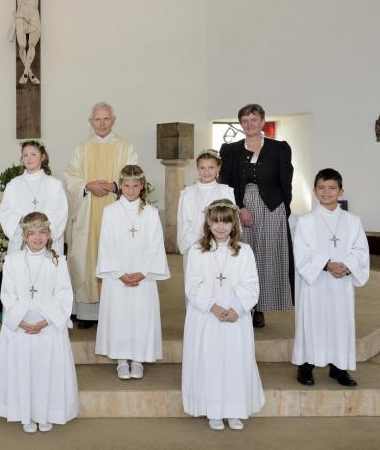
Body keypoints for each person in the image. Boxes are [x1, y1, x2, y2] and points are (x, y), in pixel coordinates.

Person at [0, 212, 79, 433]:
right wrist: (20, 319)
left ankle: (47, 412)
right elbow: (7, 295)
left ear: (49, 235)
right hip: (20, 328)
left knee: (45, 371)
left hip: (47, 327)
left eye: (42, 232)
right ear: (24, 236)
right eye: (32, 233)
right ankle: (24, 413)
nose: (37, 238)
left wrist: (45, 320)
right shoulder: (12, 261)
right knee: (24, 370)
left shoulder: (58, 261)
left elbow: (64, 294)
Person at [181, 199, 265, 431]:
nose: (220, 227)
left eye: (226, 221)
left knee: (234, 362)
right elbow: (193, 286)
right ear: (208, 222)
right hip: (207, 316)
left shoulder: (244, 252)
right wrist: (213, 306)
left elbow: (251, 285)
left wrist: (237, 308)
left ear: (234, 223)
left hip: (235, 318)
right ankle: (213, 410)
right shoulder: (197, 251)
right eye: (215, 221)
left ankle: (235, 409)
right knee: (211, 361)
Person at [218, 103, 294, 328]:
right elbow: (227, 183)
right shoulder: (230, 150)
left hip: (272, 207)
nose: (249, 124)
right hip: (242, 206)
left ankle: (260, 307)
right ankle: (243, 304)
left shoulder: (279, 148)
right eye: (245, 120)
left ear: (262, 121)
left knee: (268, 257)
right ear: (240, 124)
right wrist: (239, 208)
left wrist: (283, 209)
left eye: (253, 119)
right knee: (242, 258)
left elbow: (286, 181)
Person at [63, 102, 138, 328]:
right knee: (85, 257)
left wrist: (114, 186)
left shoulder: (126, 147)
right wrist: (87, 186)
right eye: (98, 119)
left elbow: (135, 174)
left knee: (116, 255)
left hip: (117, 211)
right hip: (87, 213)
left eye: (106, 119)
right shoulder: (81, 148)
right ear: (90, 121)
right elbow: (70, 176)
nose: (102, 123)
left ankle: (115, 312)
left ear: (113, 120)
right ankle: (87, 314)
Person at [292, 168, 369, 387]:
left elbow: (361, 250)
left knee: (339, 322)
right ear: (314, 190)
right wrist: (327, 264)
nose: (326, 192)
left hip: (340, 283)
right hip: (315, 283)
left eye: (332, 188)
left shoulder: (352, 221)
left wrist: (347, 265)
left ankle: (339, 368)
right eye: (321, 188)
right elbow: (301, 251)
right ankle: (306, 366)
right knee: (312, 322)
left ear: (341, 190)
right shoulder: (305, 221)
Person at [95, 165, 169, 380]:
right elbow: (106, 244)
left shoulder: (151, 213)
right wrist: (119, 273)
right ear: (121, 186)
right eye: (126, 186)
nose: (130, 190)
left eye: (135, 186)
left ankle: (137, 360)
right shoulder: (110, 212)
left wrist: (144, 272)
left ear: (142, 186)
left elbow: (156, 245)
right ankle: (120, 360)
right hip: (118, 277)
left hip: (142, 277)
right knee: (119, 316)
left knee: (140, 316)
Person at [0, 140, 68, 254]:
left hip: (47, 243)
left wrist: (40, 227)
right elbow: (4, 212)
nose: (29, 158)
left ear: (42, 157)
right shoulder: (13, 184)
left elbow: (60, 213)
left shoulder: (55, 184)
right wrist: (21, 220)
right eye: (25, 155)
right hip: (21, 242)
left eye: (33, 154)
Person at [177, 149, 235, 271]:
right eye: (202, 168)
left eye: (211, 167)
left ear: (218, 168)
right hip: (194, 245)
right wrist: (195, 241)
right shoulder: (187, 193)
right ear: (197, 168)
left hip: (221, 244)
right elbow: (183, 221)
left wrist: (223, 240)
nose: (206, 172)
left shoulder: (226, 191)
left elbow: (233, 220)